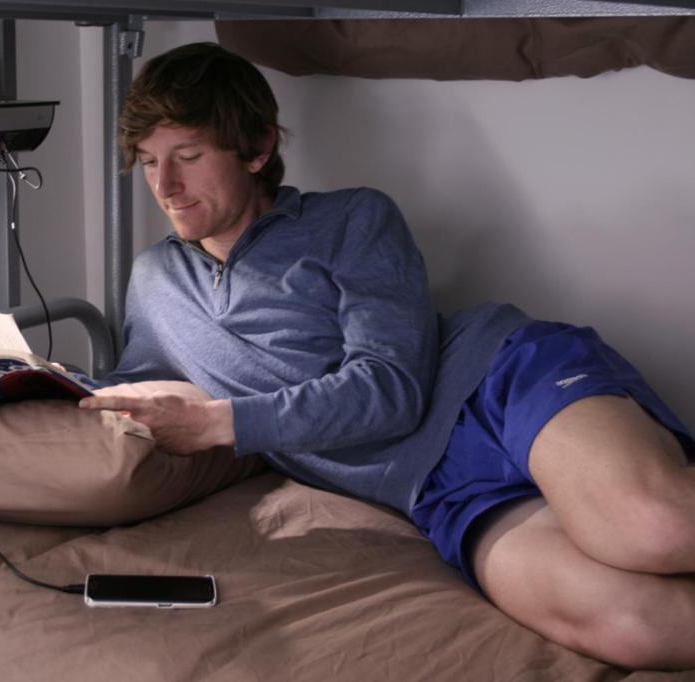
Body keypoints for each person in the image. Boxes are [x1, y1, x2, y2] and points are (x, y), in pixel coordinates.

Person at [77, 42, 695, 670]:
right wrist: (38, 381)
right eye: (150, 162)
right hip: (436, 491)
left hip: (499, 381)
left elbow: (390, 389)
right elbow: (137, 386)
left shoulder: (354, 217)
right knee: (638, 627)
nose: (166, 187)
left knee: (654, 527)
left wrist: (218, 423)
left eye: (187, 156)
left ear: (257, 148)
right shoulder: (155, 279)